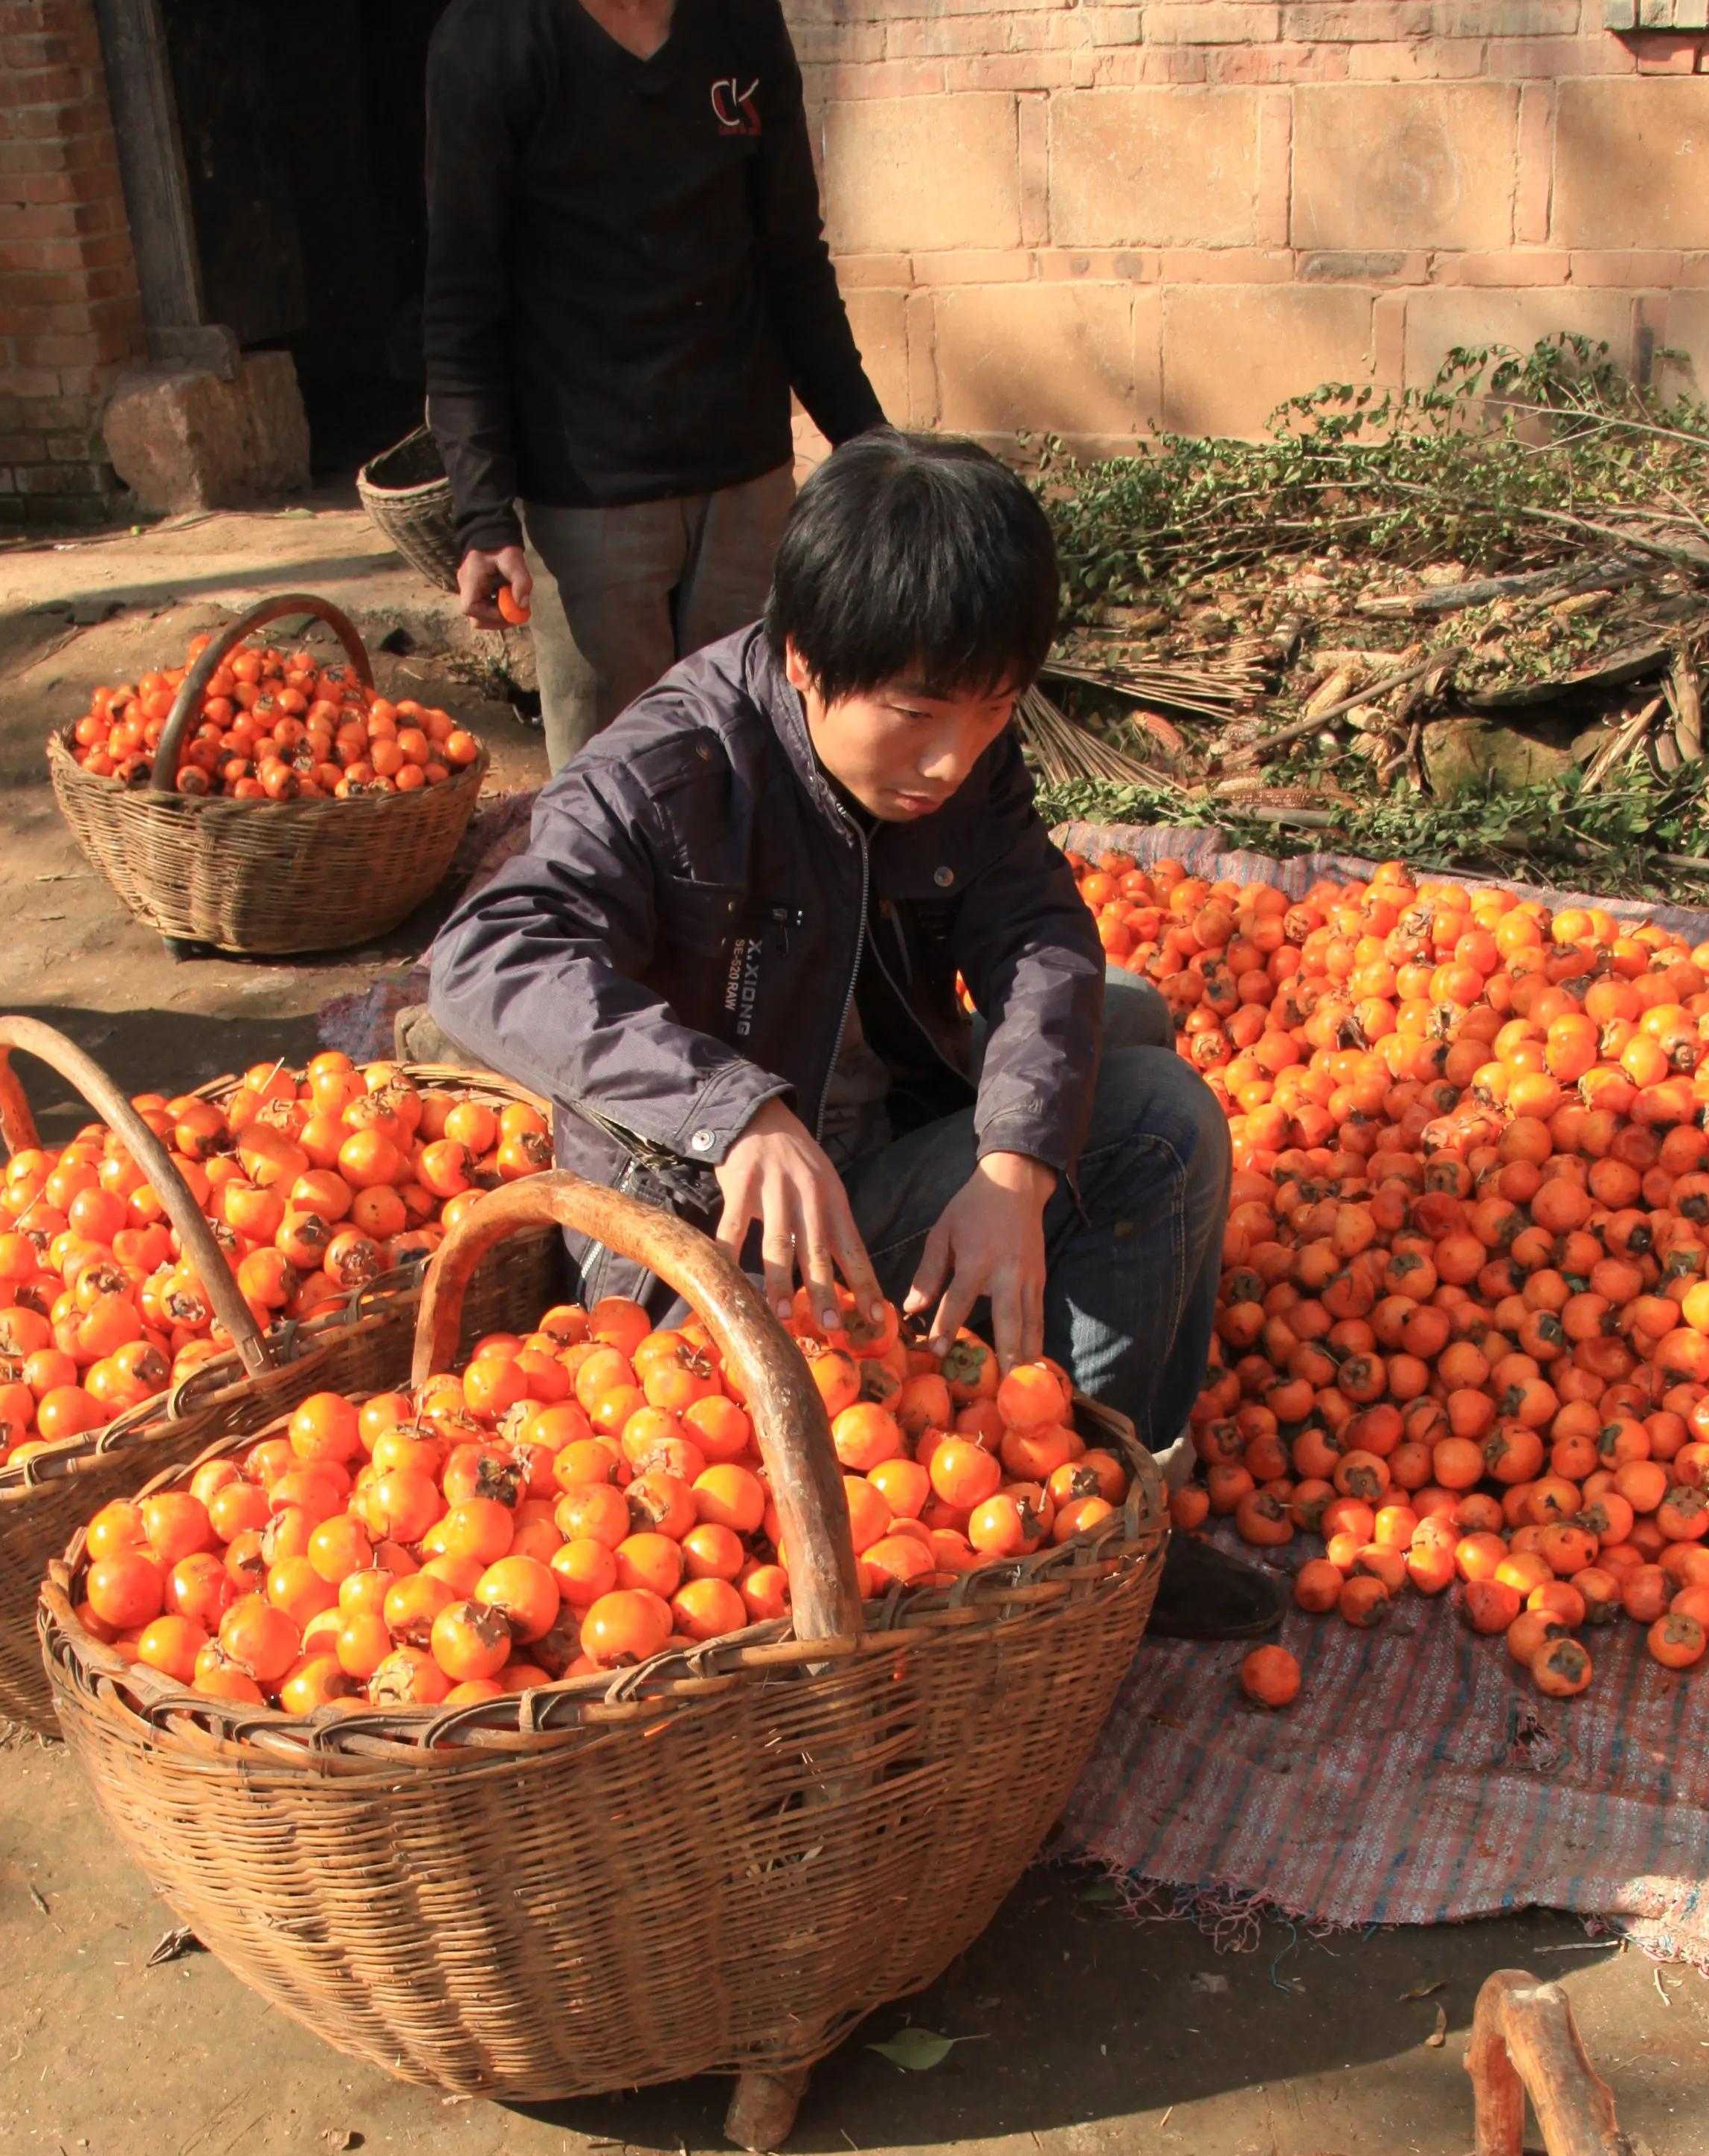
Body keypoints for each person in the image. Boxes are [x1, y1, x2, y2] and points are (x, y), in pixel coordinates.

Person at [425, 431, 1271, 1640]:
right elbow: (486, 955)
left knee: (1128, 1046)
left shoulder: (961, 749)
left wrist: (1011, 1169)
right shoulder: (669, 772)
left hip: (871, 1144)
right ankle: (1047, 1562)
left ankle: (1093, 1522)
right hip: (715, 1233)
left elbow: (1039, 933)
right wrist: (730, 1108)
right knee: (1154, 1109)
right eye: (919, 715)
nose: (951, 758)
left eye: (992, 711)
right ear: (809, 663)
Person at [423, 0, 885, 769]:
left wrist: (871, 450)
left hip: (746, 479)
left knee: (760, 764)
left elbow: (791, 257)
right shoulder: (490, 47)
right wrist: (486, 516)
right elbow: (462, 302)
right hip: (589, 510)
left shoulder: (738, 19)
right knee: (618, 793)